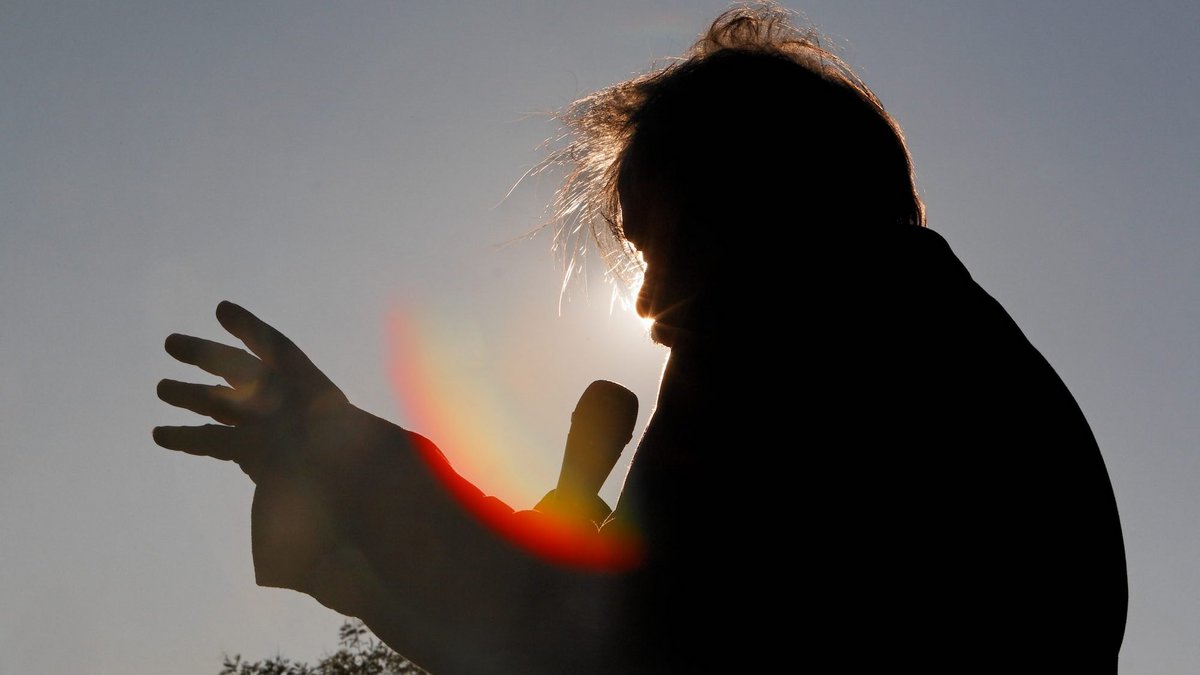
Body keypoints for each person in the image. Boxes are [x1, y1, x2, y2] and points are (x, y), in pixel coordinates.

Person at [154, 3, 1127, 672]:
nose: (652, 302)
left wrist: (350, 460)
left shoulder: (804, 354)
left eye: (665, 241)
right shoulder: (947, 356)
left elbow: (590, 647)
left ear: (769, 193)